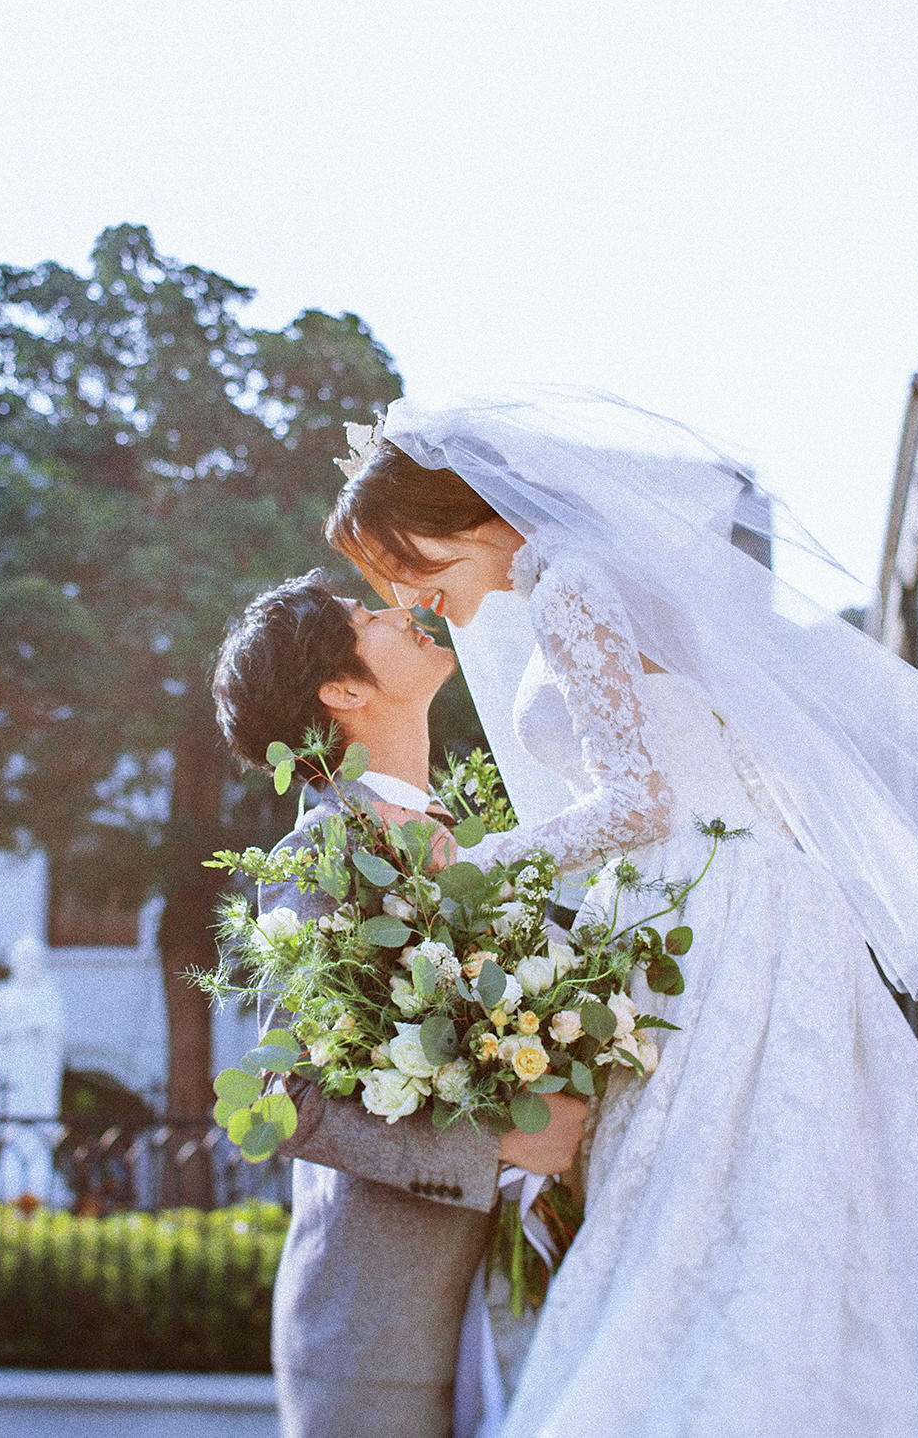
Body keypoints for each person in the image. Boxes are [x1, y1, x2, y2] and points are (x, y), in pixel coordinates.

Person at [321, 391, 918, 1438]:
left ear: (454, 513)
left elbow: (635, 798)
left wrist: (474, 866)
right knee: (780, 1192)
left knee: (701, 1201)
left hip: (708, 913)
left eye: (400, 557)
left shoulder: (567, 584)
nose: (405, 591)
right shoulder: (587, 573)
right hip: (730, 896)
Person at [212, 572, 588, 1438]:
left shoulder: (474, 841)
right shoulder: (320, 858)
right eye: (363, 616)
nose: (397, 608)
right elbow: (291, 1100)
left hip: (516, 1305)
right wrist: (499, 1143)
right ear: (342, 690)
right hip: (375, 1329)